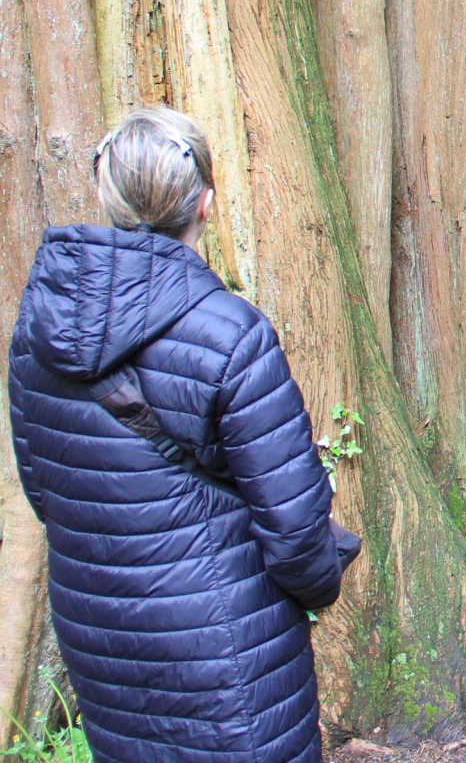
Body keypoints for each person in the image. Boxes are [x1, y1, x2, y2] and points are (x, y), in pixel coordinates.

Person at [8, 106, 347, 763]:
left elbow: (44, 490)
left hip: (101, 636)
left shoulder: (35, 334)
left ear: (105, 194)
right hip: (225, 649)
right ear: (207, 204)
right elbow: (298, 527)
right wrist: (321, 585)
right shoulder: (232, 335)